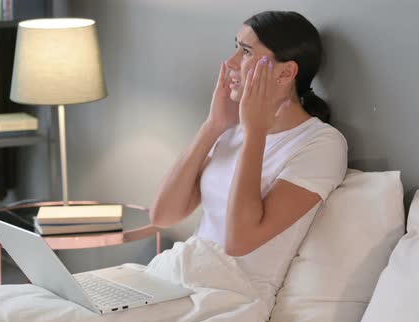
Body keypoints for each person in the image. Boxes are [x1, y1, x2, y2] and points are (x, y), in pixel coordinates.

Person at [149, 11, 348, 305]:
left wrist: (256, 133)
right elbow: (163, 215)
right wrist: (213, 126)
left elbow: (239, 241)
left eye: (244, 52)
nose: (229, 64)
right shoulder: (234, 130)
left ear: (285, 72)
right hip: (179, 279)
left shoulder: (322, 144)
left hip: (232, 298)